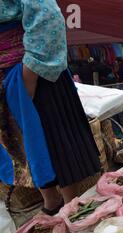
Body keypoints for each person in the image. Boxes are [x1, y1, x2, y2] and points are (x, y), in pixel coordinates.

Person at [0, 0, 101, 215]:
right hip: (9, 75)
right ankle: (51, 201)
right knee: (24, 142)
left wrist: (32, 70)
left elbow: (46, 15)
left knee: (52, 137)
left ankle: (72, 206)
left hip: (32, 70)